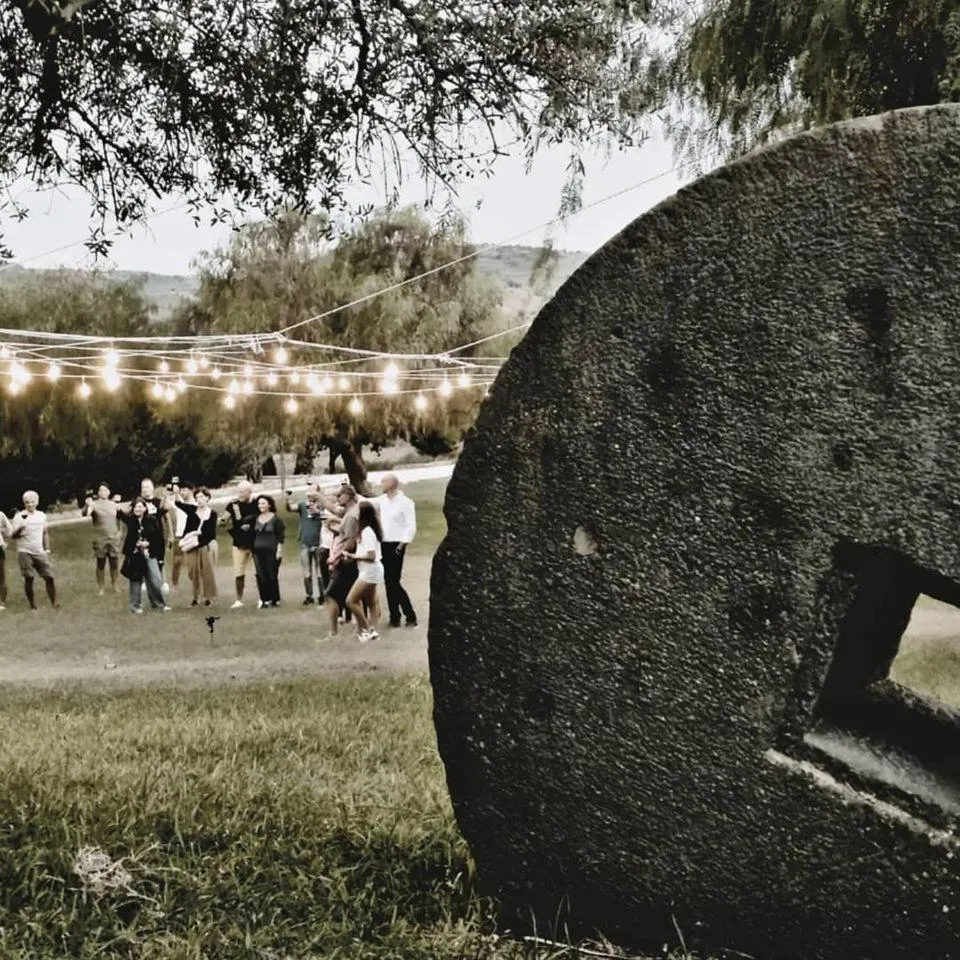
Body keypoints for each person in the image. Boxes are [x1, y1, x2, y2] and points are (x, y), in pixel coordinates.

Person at [376, 473, 418, 627]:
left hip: (396, 546)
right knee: (389, 581)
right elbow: (364, 502)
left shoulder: (406, 503)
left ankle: (410, 615)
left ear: (392, 484)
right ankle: (395, 616)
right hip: (383, 544)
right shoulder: (381, 501)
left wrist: (402, 544)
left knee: (393, 581)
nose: (381, 484)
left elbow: (410, 526)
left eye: (383, 481)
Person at [320, 485, 361, 641]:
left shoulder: (351, 515)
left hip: (345, 561)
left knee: (330, 594)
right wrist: (335, 530)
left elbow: (351, 542)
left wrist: (335, 557)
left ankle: (334, 633)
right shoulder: (350, 513)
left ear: (349, 495)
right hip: (345, 559)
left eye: (340, 495)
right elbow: (347, 535)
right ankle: (362, 628)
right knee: (350, 597)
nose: (337, 498)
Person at [342, 500, 384, 643]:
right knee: (371, 601)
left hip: (370, 570)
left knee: (351, 600)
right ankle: (371, 629)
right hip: (367, 569)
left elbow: (371, 556)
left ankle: (368, 629)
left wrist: (354, 556)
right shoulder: (368, 530)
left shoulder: (367, 532)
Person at [9, 490, 59, 610]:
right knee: (29, 577)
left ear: (37, 502)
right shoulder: (19, 516)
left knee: (49, 576)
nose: (30, 505)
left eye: (32, 502)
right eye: (27, 502)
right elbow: (13, 536)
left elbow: (45, 533)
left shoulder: (41, 515)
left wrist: (47, 549)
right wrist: (20, 529)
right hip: (24, 551)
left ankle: (55, 603)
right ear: (24, 503)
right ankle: (32, 605)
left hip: (39, 551)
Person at [119, 497, 170, 613]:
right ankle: (135, 606)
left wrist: (148, 543)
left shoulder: (152, 520)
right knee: (135, 580)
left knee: (155, 579)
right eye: (136, 506)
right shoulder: (130, 519)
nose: (138, 509)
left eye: (141, 506)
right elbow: (119, 514)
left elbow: (157, 537)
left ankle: (159, 604)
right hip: (135, 555)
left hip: (149, 553)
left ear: (145, 508)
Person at [175, 485, 219, 606]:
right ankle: (196, 596)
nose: (199, 499)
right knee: (193, 571)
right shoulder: (192, 510)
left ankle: (209, 597)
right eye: (197, 497)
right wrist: (176, 493)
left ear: (207, 498)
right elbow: (179, 504)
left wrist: (201, 538)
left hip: (205, 545)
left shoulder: (212, 514)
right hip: (191, 546)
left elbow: (211, 533)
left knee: (207, 571)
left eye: (202, 497)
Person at [286, 485, 328, 605]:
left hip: (320, 543)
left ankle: (322, 595)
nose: (310, 495)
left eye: (313, 492)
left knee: (320, 572)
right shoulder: (302, 504)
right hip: (305, 543)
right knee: (306, 572)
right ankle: (309, 596)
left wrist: (318, 513)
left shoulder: (323, 506)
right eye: (309, 492)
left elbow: (328, 517)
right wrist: (287, 499)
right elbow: (290, 508)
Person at [82, 482, 122, 595]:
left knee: (114, 562)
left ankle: (115, 585)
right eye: (101, 490)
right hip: (100, 538)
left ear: (109, 492)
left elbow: (119, 519)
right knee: (101, 563)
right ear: (98, 493)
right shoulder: (94, 504)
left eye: (105, 490)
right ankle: (101, 588)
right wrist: (87, 504)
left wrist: (120, 532)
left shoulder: (114, 504)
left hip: (113, 537)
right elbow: (85, 513)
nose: (103, 492)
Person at [225, 480, 258, 608]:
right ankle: (239, 599)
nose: (239, 494)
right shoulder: (234, 505)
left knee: (259, 572)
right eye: (238, 491)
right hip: (238, 543)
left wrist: (250, 525)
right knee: (238, 572)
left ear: (249, 492)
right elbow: (225, 517)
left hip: (255, 542)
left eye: (242, 492)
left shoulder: (257, 504)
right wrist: (222, 520)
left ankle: (262, 598)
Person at [252, 494, 285, 608]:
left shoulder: (276, 519)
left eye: (263, 503)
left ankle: (274, 598)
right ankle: (264, 598)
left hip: (271, 550)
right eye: (259, 503)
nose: (261, 505)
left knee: (271, 574)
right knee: (260, 574)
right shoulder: (255, 518)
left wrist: (279, 551)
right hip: (257, 550)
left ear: (269, 505)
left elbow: (280, 536)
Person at [138, 478, 170, 592]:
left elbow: (166, 510)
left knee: (160, 559)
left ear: (152, 488)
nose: (145, 489)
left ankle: (163, 581)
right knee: (144, 558)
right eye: (143, 487)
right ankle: (145, 582)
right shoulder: (139, 503)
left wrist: (166, 497)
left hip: (158, 535)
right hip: (144, 535)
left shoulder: (158, 501)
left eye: (147, 486)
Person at [166, 480, 195, 590]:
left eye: (184, 490)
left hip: (191, 536)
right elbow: (169, 505)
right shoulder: (178, 502)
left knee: (192, 562)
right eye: (181, 490)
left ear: (191, 491)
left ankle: (195, 582)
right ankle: (175, 584)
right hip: (179, 535)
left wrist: (177, 493)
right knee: (177, 561)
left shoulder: (196, 503)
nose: (182, 492)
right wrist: (170, 494)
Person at [0, 508, 10, 611]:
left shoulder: (0, 514)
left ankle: (2, 602)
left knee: (1, 577)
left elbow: (10, 530)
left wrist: (4, 542)